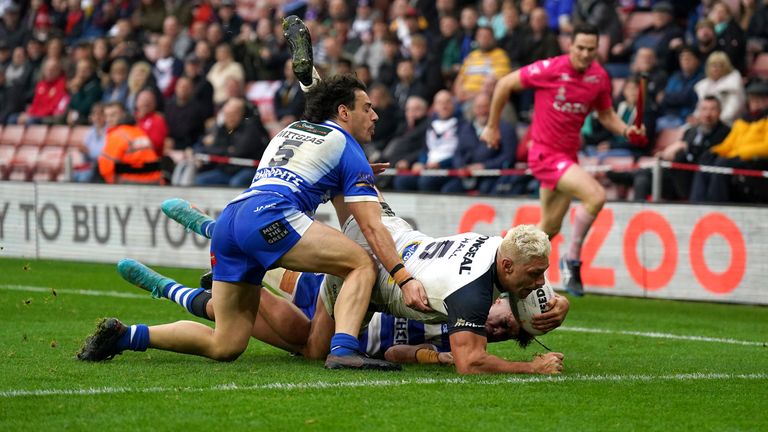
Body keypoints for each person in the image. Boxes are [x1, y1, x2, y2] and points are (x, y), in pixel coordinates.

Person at [77, 16, 429, 371]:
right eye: (366, 107)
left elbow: (311, 170)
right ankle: (343, 349)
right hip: (273, 216)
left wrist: (358, 171)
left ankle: (128, 336)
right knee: (360, 263)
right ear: (343, 112)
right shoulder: (347, 146)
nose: (375, 115)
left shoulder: (294, 129)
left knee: (226, 343)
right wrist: (403, 276)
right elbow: (370, 227)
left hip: (233, 218)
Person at [106, 195, 568, 374]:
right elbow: (516, 297)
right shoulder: (473, 297)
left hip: (374, 296)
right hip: (361, 291)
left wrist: (438, 355)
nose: (500, 329)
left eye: (506, 333)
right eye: (505, 323)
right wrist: (550, 318)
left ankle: (169, 289)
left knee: (256, 325)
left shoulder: (479, 296)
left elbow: (399, 352)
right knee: (282, 277)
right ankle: (214, 232)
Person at [480, 23, 647, 297]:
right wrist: (492, 126)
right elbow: (505, 84)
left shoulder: (599, 77)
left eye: (590, 49)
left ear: (597, 49)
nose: (584, 53)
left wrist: (627, 130)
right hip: (545, 154)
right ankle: (572, 260)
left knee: (547, 230)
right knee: (596, 196)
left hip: (567, 157)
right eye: (580, 48)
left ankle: (495, 268)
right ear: (570, 44)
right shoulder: (550, 69)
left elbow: (606, 115)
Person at [634, 96, 730, 201]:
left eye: (712, 109)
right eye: (704, 109)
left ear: (720, 112)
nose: (707, 114)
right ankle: (639, 209)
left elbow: (708, 156)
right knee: (643, 175)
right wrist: (664, 155)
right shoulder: (691, 131)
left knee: (679, 157)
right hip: (676, 176)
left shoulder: (725, 133)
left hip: (698, 181)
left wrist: (686, 147)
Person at [97, 101, 163, 185]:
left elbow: (105, 167)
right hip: (155, 180)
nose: (109, 119)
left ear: (123, 114)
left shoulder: (116, 135)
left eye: (113, 115)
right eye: (107, 116)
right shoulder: (138, 131)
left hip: (132, 182)